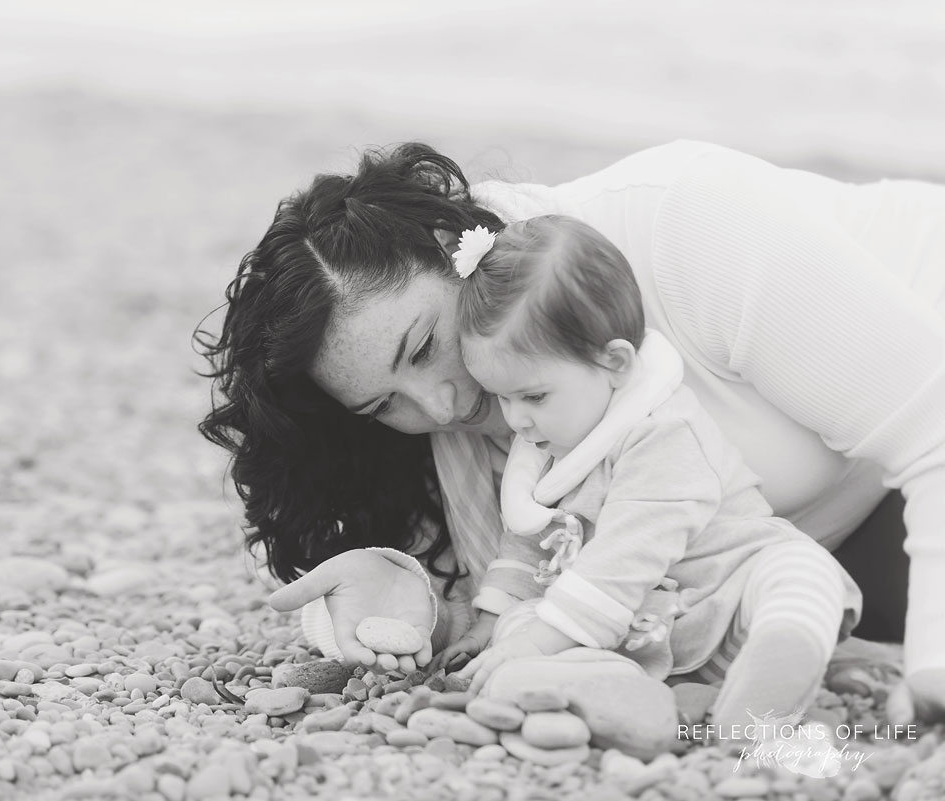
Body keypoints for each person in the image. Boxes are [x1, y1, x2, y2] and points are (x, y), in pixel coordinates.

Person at [196, 139, 945, 721]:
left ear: (458, 245)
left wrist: (933, 675)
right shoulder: (475, 421)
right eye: (383, 406)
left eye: (423, 347)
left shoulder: (682, 223)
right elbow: (549, 576)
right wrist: (418, 602)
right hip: (842, 539)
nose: (443, 406)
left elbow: (934, 425)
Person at [425, 214, 861, 731]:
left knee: (796, 570)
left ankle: (775, 667)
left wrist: (541, 640)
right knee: (521, 629)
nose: (515, 418)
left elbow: (627, 554)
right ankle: (620, 689)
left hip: (726, 598)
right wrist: (496, 620)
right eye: (501, 396)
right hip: (642, 631)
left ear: (615, 362)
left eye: (533, 396)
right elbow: (527, 545)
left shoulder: (664, 432)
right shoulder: (549, 441)